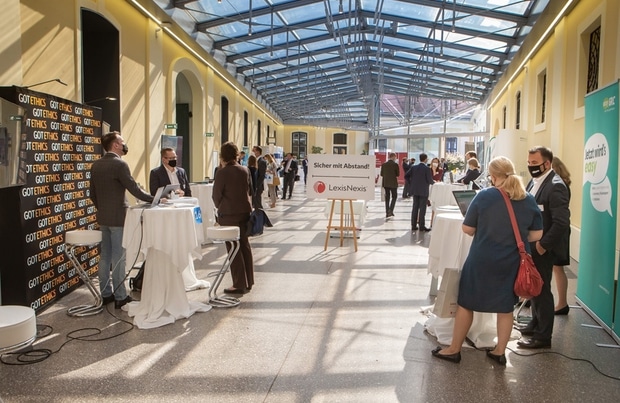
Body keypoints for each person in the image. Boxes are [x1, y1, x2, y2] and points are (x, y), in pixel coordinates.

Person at [431, 156, 543, 365]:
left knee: (466, 303)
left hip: (482, 259)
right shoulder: (527, 198)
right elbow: (537, 234)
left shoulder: (484, 196)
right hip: (512, 261)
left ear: (493, 176)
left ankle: (454, 349)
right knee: (505, 307)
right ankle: (499, 351)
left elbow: (467, 228)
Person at [90, 131, 154, 309]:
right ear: (116, 145)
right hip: (118, 218)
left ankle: (106, 294)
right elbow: (134, 189)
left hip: (103, 217)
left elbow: (92, 194)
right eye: (122, 141)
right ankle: (120, 296)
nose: (124, 144)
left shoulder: (96, 165)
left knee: (105, 256)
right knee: (119, 257)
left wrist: (103, 209)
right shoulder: (120, 164)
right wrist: (154, 199)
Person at [514, 146, 570, 349]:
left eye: (535, 163)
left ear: (547, 163)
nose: (531, 167)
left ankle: (543, 336)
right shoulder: (535, 181)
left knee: (542, 291)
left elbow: (561, 222)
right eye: (529, 163)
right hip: (532, 244)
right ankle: (535, 323)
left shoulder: (556, 186)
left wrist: (542, 246)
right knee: (535, 288)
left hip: (543, 248)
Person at [212, 142, 254, 294]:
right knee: (244, 245)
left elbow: (216, 195)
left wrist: (220, 207)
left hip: (229, 214)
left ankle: (238, 283)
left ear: (223, 155)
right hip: (245, 212)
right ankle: (249, 281)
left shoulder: (222, 172)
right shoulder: (245, 170)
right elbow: (250, 190)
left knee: (233, 248)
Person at [550, 157, 571, 315]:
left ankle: (562, 303)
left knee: (557, 267)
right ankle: (562, 302)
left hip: (557, 231)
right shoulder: (563, 184)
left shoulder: (557, 185)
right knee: (557, 268)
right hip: (559, 230)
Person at [406, 153, 434, 231]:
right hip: (423, 191)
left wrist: (411, 182)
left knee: (415, 207)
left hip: (415, 190)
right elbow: (429, 180)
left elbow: (406, 176)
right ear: (425, 159)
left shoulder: (414, 167)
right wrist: (434, 182)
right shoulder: (427, 168)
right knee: (422, 209)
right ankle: (422, 226)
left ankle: (413, 225)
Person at [380, 152, 400, 218]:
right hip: (393, 183)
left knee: (387, 197)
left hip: (386, 183)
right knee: (394, 196)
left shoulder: (384, 164)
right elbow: (398, 174)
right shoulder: (395, 165)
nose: (396, 158)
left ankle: (387, 211)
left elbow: (381, 174)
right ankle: (390, 210)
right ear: (393, 157)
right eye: (395, 157)